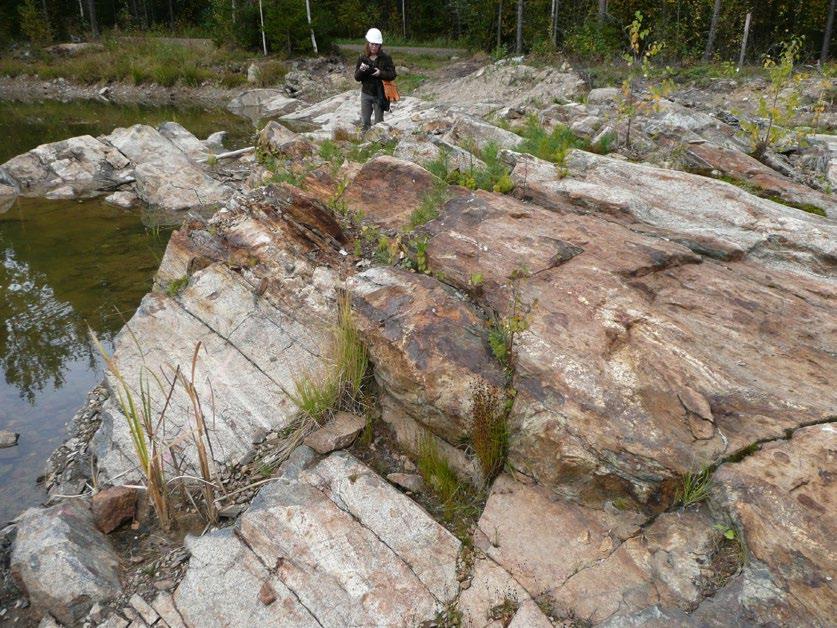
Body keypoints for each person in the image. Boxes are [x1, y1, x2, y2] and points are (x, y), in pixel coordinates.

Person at [354, 28, 397, 133]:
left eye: (376, 44)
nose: (374, 47)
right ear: (368, 43)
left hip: (380, 95)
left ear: (380, 45)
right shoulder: (362, 58)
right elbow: (357, 78)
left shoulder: (386, 58)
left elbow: (392, 75)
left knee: (379, 123)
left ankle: (380, 146)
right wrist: (361, 70)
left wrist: (380, 73)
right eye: (372, 44)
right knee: (365, 123)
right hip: (366, 93)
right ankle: (365, 144)